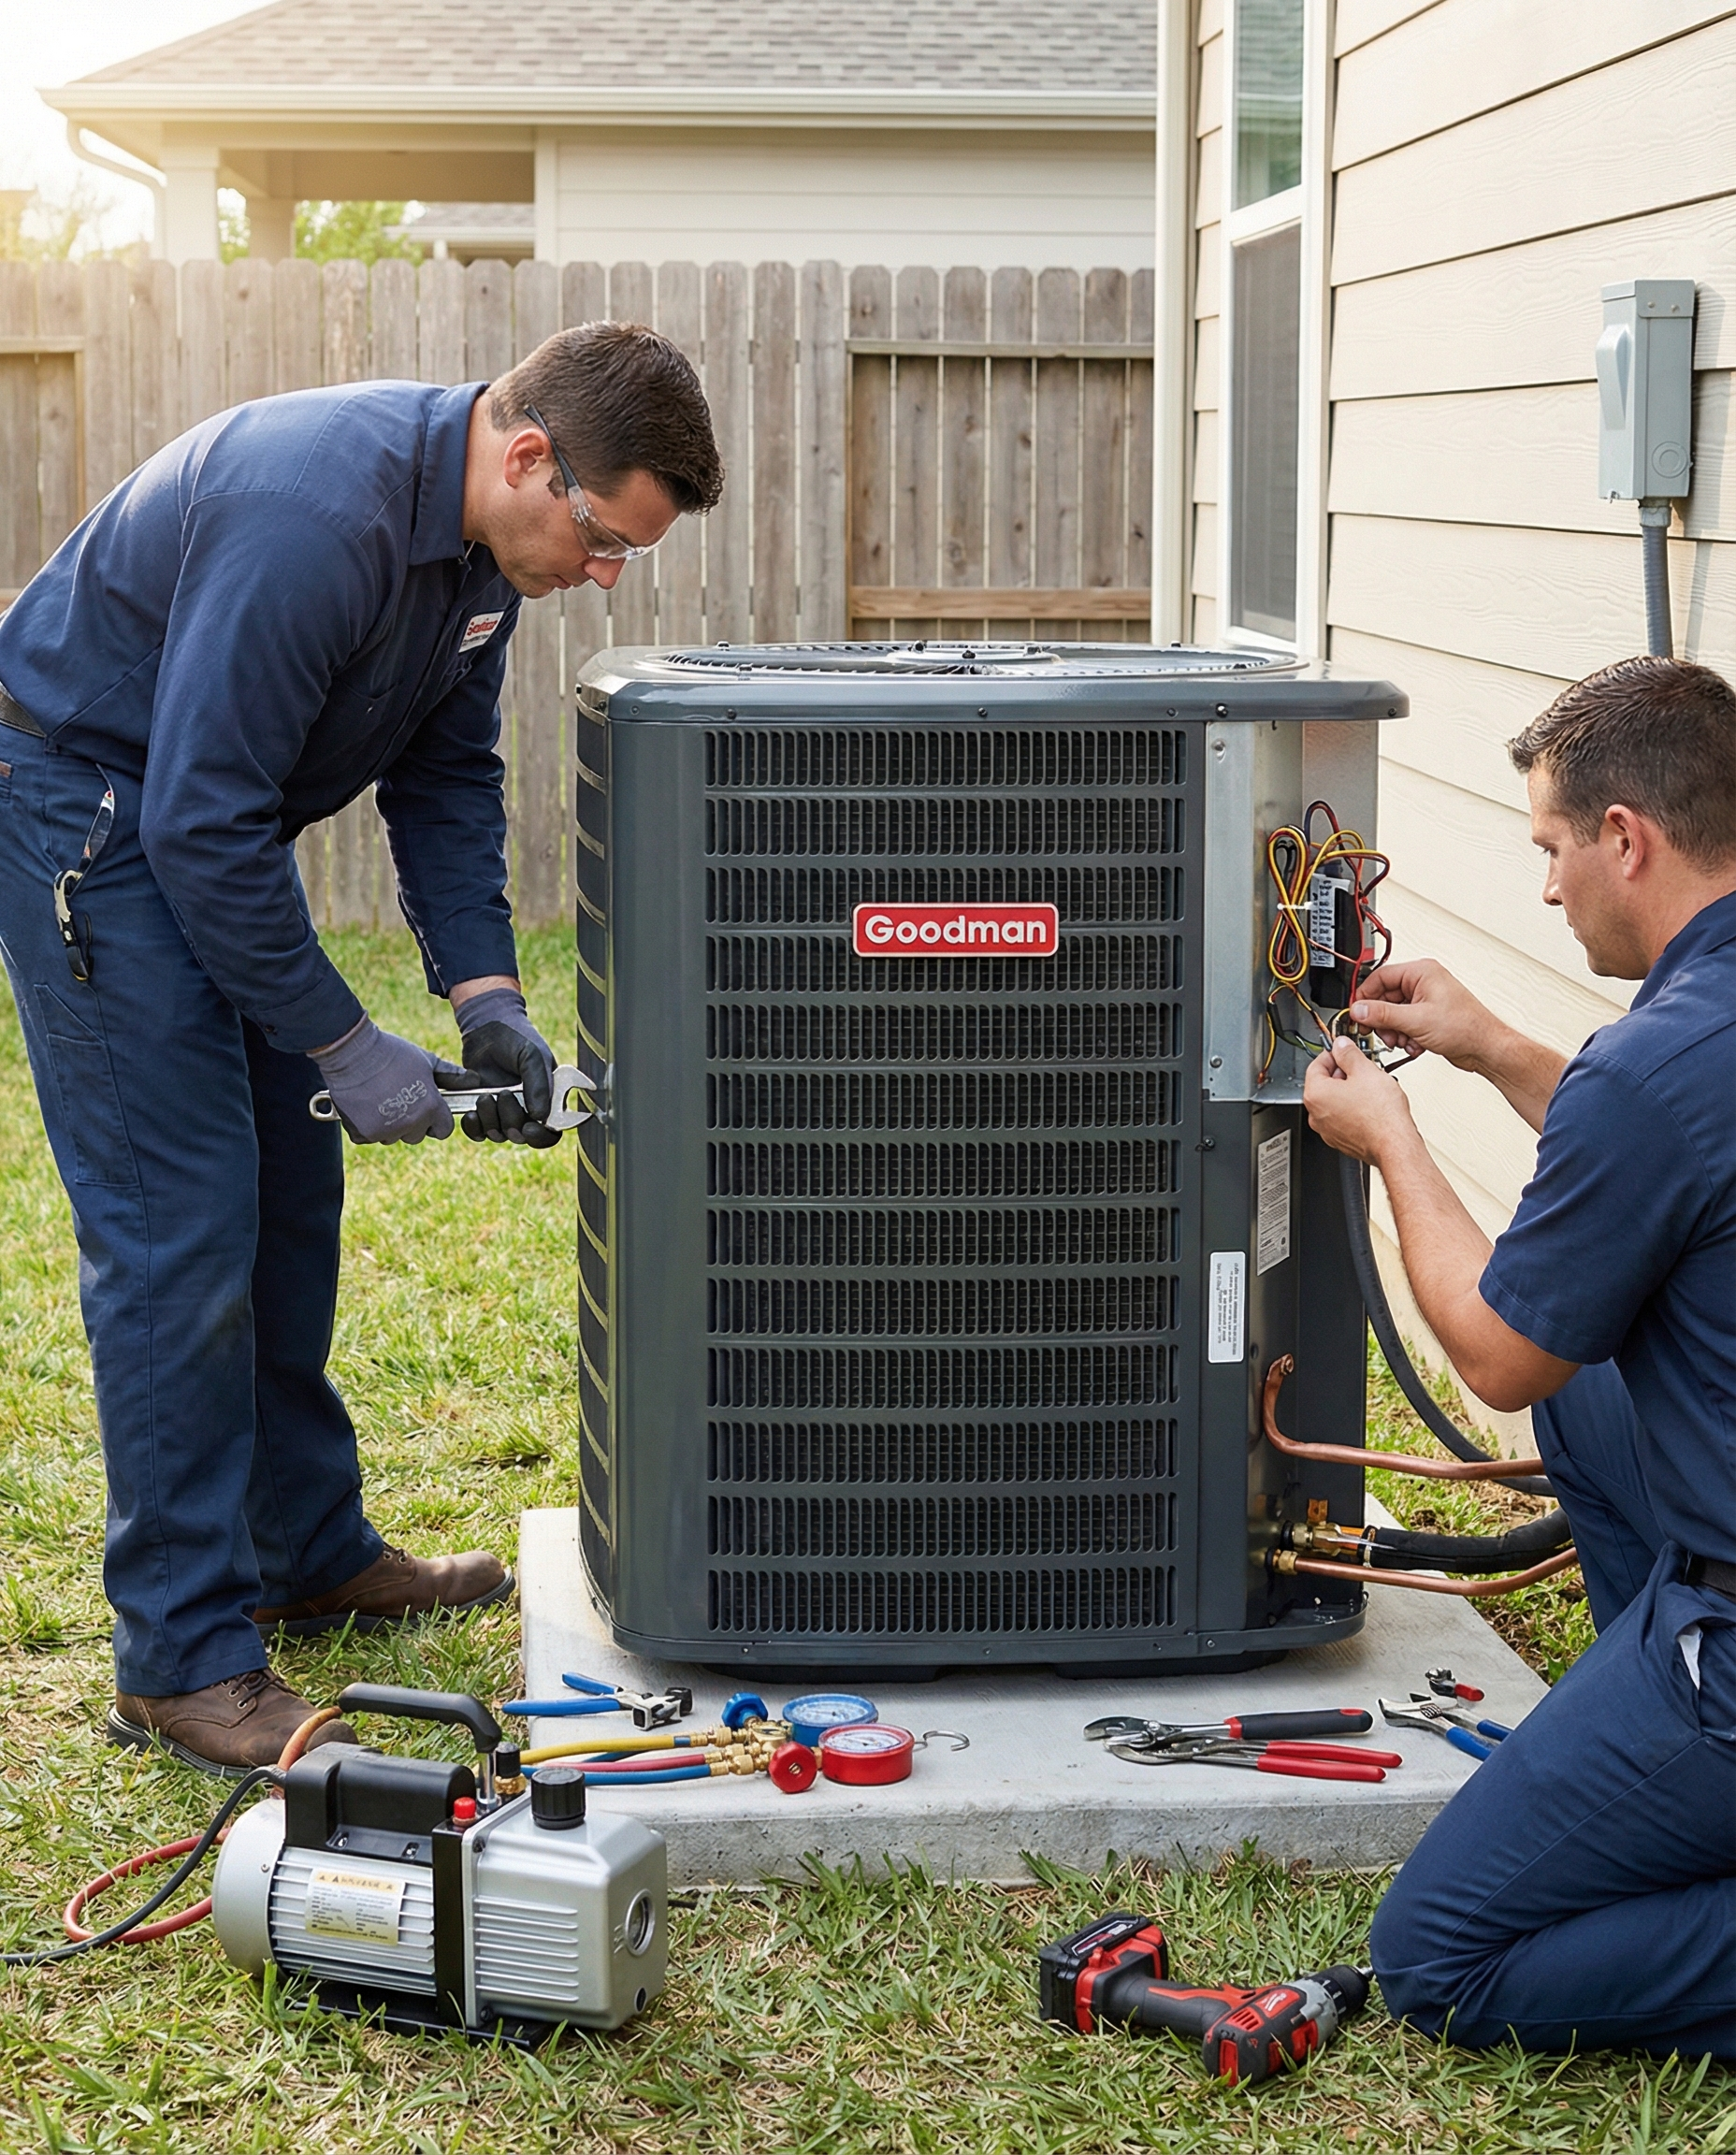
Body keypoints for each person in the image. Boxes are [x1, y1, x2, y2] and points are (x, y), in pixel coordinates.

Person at [0, 323, 724, 1775]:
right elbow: (193, 820)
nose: (600, 574)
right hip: (93, 819)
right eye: (601, 538)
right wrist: (343, 1037)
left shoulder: (476, 555)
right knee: (179, 1228)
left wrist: (484, 1002)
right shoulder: (312, 515)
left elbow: (448, 774)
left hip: (199, 832)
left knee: (289, 1201)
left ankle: (302, 1548)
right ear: (530, 457)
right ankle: (182, 1659)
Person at [1301, 654, 1736, 2061]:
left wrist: (1395, 1144)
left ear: (1628, 838)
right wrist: (1490, 1047)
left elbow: (1494, 1354)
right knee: (1605, 1388)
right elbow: (1665, 1157)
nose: (1547, 886)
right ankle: (1644, 1755)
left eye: (1552, 848)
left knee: (1440, 1955)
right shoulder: (1688, 1049)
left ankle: (1680, 1745)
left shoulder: (1659, 1065)